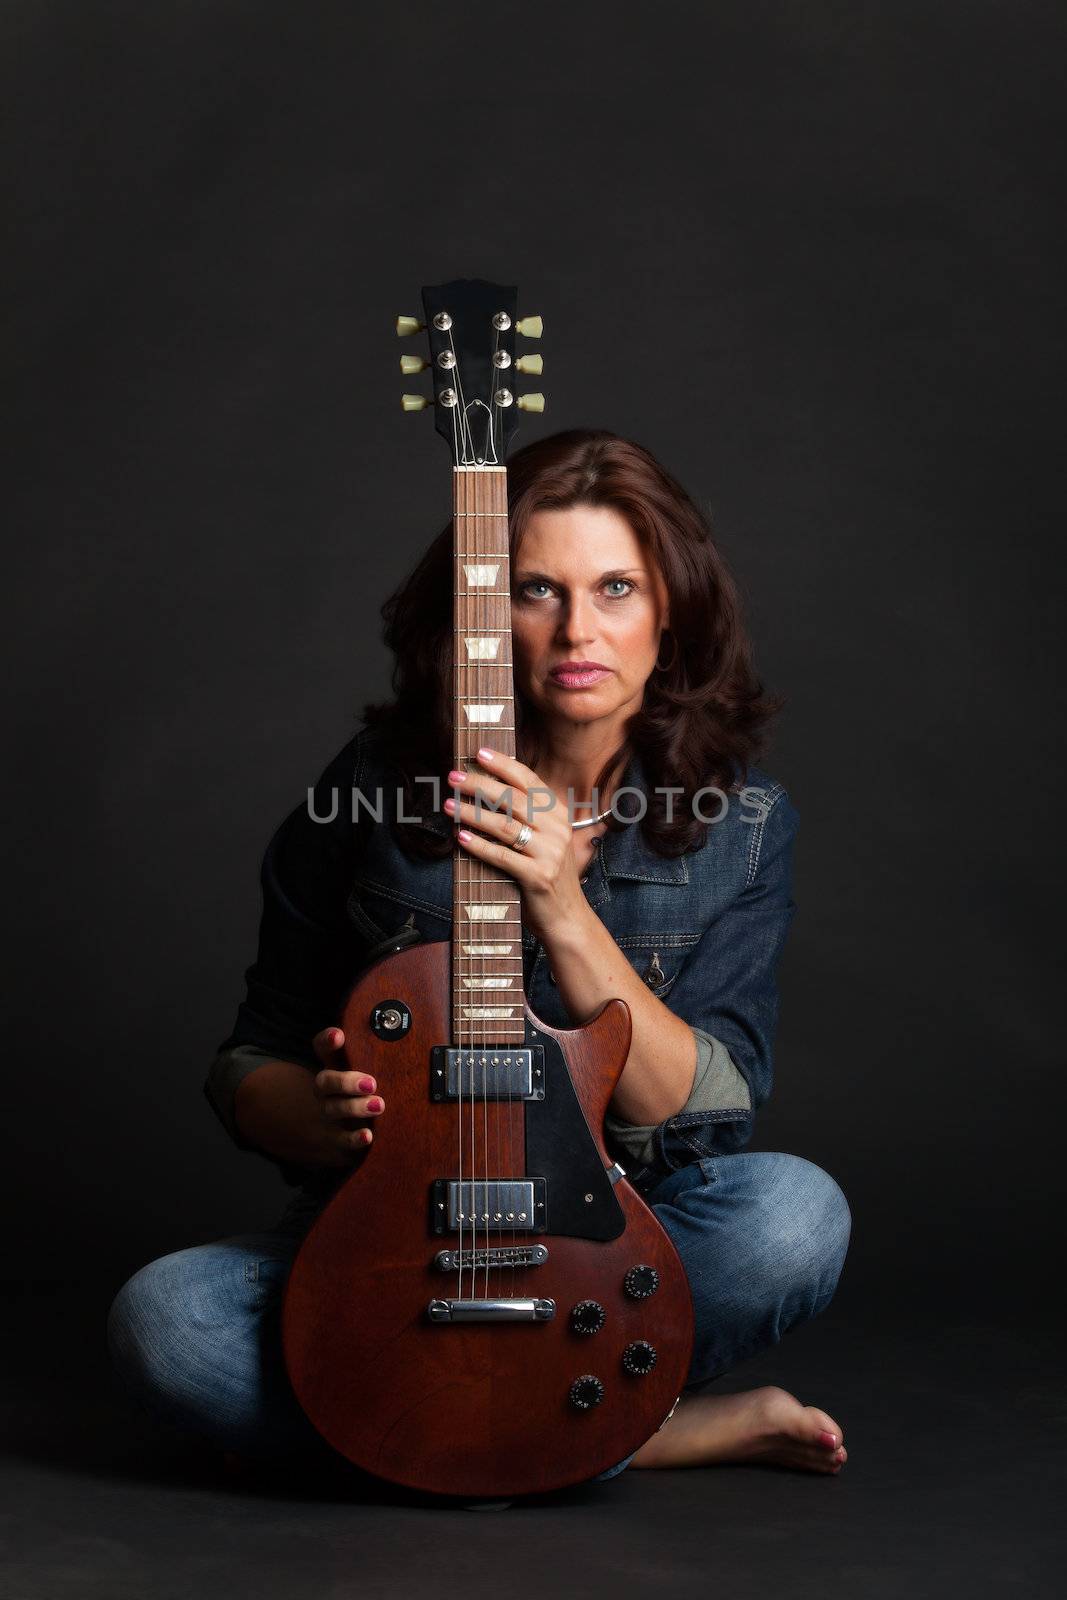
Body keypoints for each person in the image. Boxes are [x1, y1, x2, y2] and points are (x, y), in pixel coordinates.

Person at [106, 429, 851, 1490]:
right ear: (482, 612)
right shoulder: (369, 786)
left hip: (608, 1253)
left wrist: (557, 899)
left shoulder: (740, 822)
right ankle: (628, 1435)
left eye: (615, 589)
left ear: (669, 609)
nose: (575, 629)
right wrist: (311, 1112)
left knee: (794, 1216)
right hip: (387, 1252)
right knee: (164, 1322)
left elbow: (709, 1108)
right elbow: (247, 1061)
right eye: (537, 589)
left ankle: (448, 1436)